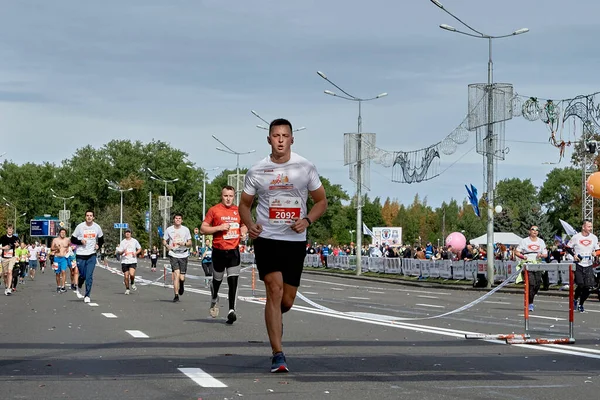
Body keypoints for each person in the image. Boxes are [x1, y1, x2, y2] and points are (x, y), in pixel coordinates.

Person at [239, 118, 328, 373]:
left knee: (286, 301)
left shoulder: (305, 167)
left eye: (284, 135)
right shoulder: (257, 171)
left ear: (291, 139)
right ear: (269, 139)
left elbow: (321, 201)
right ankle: (278, 353)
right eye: (275, 135)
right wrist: (250, 225)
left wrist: (307, 220)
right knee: (274, 290)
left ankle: (277, 318)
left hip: (294, 240)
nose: (280, 140)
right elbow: (244, 205)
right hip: (267, 239)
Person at [201, 185, 248, 324]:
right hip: (218, 251)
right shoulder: (214, 210)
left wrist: (243, 232)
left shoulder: (238, 210)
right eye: (225, 196)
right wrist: (219, 228)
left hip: (233, 251)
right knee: (217, 280)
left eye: (231, 196)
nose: (228, 199)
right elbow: (203, 228)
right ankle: (214, 297)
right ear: (222, 196)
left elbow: (244, 225)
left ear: (234, 196)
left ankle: (231, 310)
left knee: (233, 281)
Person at [71, 210, 104, 303]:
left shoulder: (97, 227)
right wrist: (80, 241)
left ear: (93, 217)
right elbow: (73, 239)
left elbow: (101, 239)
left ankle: (87, 295)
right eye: (87, 215)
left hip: (91, 255)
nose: (89, 217)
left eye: (91, 215)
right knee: (83, 275)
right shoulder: (80, 227)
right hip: (80, 254)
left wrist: (98, 245)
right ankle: (80, 283)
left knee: (89, 275)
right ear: (85, 217)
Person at [566, 220, 599, 312]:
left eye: (591, 226)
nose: (590, 228)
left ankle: (581, 304)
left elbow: (598, 250)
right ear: (583, 227)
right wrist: (574, 255)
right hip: (578, 263)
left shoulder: (594, 238)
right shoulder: (576, 237)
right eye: (588, 226)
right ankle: (575, 299)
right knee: (580, 284)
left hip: (588, 264)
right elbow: (568, 248)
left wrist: (595, 253)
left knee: (588, 287)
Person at [515, 225, 548, 312]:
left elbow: (545, 254)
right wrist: (523, 257)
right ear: (529, 231)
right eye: (533, 229)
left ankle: (530, 297)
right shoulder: (524, 241)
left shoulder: (541, 242)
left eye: (537, 230)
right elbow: (517, 252)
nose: (535, 231)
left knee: (537, 284)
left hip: (537, 264)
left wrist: (541, 255)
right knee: (531, 284)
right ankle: (530, 303)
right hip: (528, 264)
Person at [163, 213, 192, 303]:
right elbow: (164, 240)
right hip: (173, 254)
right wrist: (167, 246)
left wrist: (185, 244)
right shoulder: (169, 230)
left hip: (183, 254)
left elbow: (190, 242)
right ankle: (176, 295)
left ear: (182, 220)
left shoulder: (185, 230)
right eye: (176, 218)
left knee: (181, 277)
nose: (178, 220)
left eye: (179, 218)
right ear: (173, 220)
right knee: (176, 275)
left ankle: (182, 284)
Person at [116, 229, 142, 295]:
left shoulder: (134, 241)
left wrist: (136, 253)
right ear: (124, 234)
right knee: (126, 276)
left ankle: (132, 282)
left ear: (131, 234)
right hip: (125, 261)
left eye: (129, 232)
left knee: (132, 274)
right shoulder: (122, 242)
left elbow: (139, 248)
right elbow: (119, 252)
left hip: (132, 260)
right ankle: (127, 289)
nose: (127, 233)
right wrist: (122, 252)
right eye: (126, 233)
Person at [0, 225, 19, 296]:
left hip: (12, 257)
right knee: (5, 275)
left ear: (13, 231)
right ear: (7, 230)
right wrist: (3, 248)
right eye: (8, 229)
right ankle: (6, 286)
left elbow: (18, 244)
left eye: (11, 229)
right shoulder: (3, 237)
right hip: (4, 258)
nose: (10, 231)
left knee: (9, 271)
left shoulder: (15, 238)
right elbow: (0, 246)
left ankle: (9, 288)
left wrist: (17, 245)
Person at [51, 228, 71, 294]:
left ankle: (63, 286)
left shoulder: (67, 240)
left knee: (63, 271)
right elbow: (52, 248)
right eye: (62, 232)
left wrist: (68, 249)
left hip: (64, 258)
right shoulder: (55, 240)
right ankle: (58, 286)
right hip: (57, 258)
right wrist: (57, 248)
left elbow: (71, 245)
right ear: (59, 233)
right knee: (57, 273)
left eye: (64, 233)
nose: (63, 234)